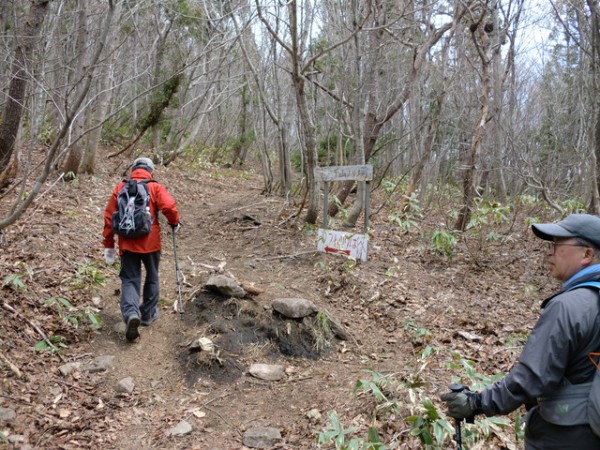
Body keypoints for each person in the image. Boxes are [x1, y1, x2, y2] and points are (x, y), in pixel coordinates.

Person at [441, 213, 600, 449]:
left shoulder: (568, 307)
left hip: (563, 434)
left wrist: (477, 403)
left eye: (557, 244)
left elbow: (533, 377)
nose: (549, 251)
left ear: (587, 254)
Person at [102, 157, 180, 342]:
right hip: (151, 242)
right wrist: (174, 222)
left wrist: (108, 244)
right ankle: (148, 314)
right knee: (152, 276)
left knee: (130, 279)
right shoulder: (154, 186)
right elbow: (168, 206)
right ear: (150, 170)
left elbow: (108, 216)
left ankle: (130, 314)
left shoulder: (120, 187)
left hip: (127, 242)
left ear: (134, 169)